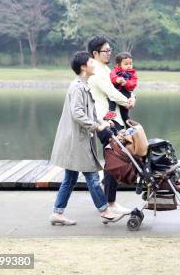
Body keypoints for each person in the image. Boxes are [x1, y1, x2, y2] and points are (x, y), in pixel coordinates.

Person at [49, 51, 123, 225]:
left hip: (79, 139)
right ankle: (105, 210)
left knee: (70, 179)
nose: (94, 64)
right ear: (83, 67)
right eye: (91, 61)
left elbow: (89, 112)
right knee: (92, 176)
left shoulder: (84, 85)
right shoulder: (77, 87)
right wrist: (96, 126)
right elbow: (78, 114)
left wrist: (103, 122)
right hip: (76, 141)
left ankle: (57, 213)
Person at [87, 35, 134, 215]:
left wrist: (131, 98)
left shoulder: (106, 69)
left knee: (116, 158)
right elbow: (111, 93)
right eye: (106, 51)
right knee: (115, 158)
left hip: (114, 120)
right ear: (95, 53)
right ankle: (110, 202)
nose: (109, 53)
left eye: (109, 50)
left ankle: (109, 198)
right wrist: (127, 102)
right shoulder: (97, 71)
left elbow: (123, 89)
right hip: (105, 122)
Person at [106, 51, 138, 124]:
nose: (129, 66)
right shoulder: (115, 70)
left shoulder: (132, 73)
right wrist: (117, 80)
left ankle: (128, 122)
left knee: (124, 112)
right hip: (116, 90)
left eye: (130, 63)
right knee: (112, 99)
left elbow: (133, 84)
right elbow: (112, 77)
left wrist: (126, 83)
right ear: (118, 65)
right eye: (126, 64)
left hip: (125, 92)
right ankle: (111, 112)